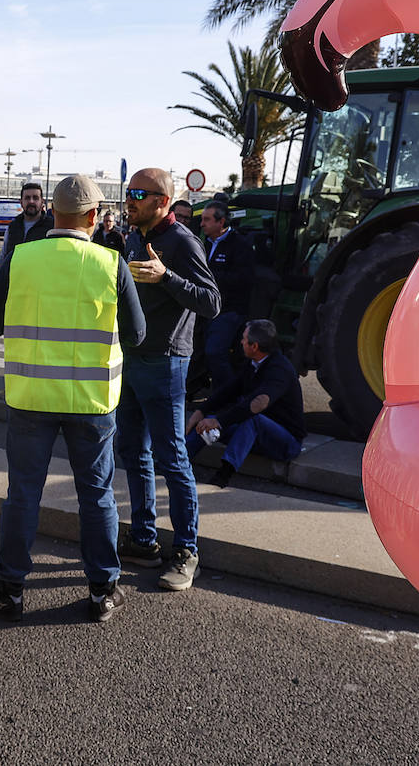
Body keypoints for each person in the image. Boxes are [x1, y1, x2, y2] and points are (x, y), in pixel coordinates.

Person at [0, 175, 147, 623]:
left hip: (31, 396)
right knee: (97, 496)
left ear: (53, 211)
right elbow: (137, 334)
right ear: (94, 217)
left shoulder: (20, 257)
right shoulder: (112, 263)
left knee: (23, 496)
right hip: (93, 402)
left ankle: (9, 590)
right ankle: (102, 591)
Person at [117, 168, 220, 592]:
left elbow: (212, 302)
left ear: (163, 200)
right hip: (131, 360)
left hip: (166, 363)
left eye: (138, 193)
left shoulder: (182, 242)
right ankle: (143, 538)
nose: (130, 200)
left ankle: (186, 551)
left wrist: (167, 277)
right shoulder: (135, 237)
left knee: (171, 458)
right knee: (133, 452)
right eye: (128, 192)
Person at [184, 319, 305, 488]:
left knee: (252, 420)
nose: (241, 342)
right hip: (254, 434)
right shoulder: (253, 363)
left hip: (286, 442)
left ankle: (223, 476)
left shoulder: (280, 370)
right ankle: (177, 462)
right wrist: (202, 411)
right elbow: (229, 390)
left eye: (244, 339)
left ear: (254, 346)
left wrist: (219, 422)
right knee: (207, 423)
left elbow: (257, 405)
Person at [198, 200, 256, 392]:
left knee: (215, 352)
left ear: (221, 222)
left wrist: (210, 276)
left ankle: (229, 396)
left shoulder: (240, 245)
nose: (202, 223)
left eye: (207, 219)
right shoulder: (203, 243)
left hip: (229, 311)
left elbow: (244, 278)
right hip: (205, 310)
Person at [2, 182, 51, 256]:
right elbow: (3, 257)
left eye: (35, 198)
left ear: (42, 202)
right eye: (27, 198)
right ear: (21, 202)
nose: (31, 201)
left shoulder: (51, 227)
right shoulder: (12, 227)